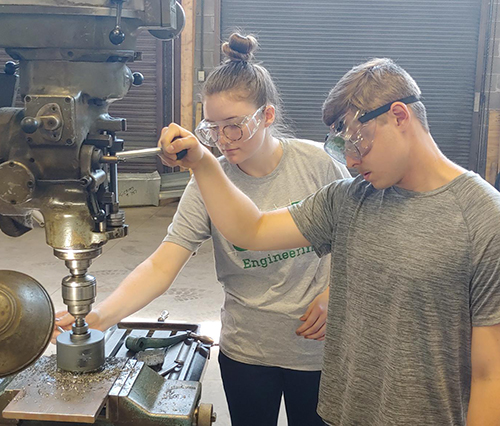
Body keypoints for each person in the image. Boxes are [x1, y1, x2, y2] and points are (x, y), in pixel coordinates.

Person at [156, 57, 500, 426]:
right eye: (341, 147)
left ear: (399, 116)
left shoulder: (481, 216)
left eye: (357, 141)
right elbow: (251, 230)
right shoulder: (351, 198)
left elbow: (489, 374)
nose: (350, 161)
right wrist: (203, 163)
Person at [54, 33, 350, 426]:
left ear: (267, 115)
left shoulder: (318, 165)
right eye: (212, 128)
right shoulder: (208, 182)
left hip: (317, 349)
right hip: (248, 350)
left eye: (235, 126)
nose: (224, 141)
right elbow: (163, 264)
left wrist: (334, 293)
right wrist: (101, 316)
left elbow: (357, 240)